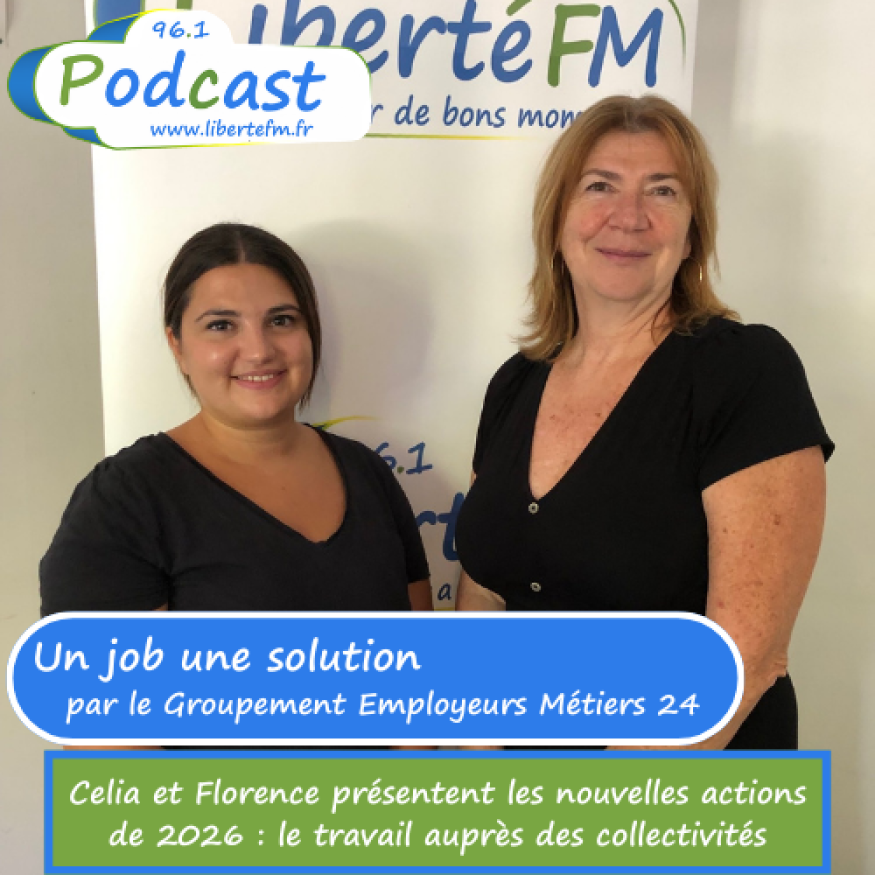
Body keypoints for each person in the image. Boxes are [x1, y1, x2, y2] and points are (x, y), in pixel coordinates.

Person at [454, 95, 832, 750]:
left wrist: (589, 806)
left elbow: (745, 659)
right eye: (599, 186)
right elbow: (483, 602)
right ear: (557, 219)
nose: (628, 217)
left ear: (691, 235)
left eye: (662, 191)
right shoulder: (514, 383)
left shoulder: (745, 371)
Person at [41, 223, 432, 615]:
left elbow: (419, 644)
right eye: (221, 325)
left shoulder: (367, 472)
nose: (259, 351)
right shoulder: (123, 501)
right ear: (177, 345)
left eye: (281, 320)